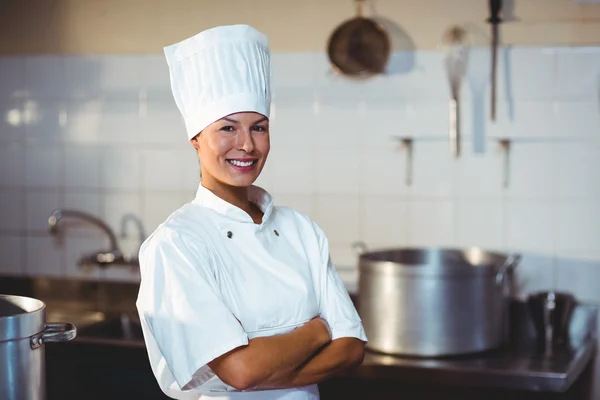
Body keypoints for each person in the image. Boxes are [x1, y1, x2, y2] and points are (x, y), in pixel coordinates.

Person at [135, 24, 367, 400]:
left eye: (259, 127)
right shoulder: (176, 244)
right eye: (227, 128)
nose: (246, 145)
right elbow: (241, 372)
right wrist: (317, 331)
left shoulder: (300, 230)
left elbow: (352, 349)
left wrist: (265, 362)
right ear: (195, 138)